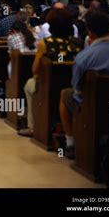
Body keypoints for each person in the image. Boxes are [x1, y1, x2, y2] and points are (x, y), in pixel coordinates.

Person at [59, 10, 109, 159]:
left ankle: (70, 143)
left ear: (90, 31)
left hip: (92, 105)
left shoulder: (84, 56)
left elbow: (77, 88)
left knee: (65, 94)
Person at [18, 8, 83, 137]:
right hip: (73, 84)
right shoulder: (77, 43)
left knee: (28, 85)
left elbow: (35, 69)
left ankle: (33, 126)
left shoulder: (45, 44)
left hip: (50, 84)